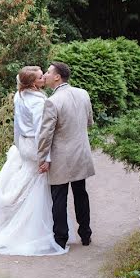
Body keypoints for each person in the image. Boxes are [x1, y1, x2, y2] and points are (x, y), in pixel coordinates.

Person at [0, 66, 67, 256]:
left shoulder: (19, 96)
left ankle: (9, 218)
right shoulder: (37, 102)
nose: (44, 77)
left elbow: (17, 126)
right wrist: (46, 157)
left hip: (25, 145)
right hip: (36, 147)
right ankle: (31, 229)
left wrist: (19, 146)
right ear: (33, 83)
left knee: (25, 180)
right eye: (40, 77)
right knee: (37, 186)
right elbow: (40, 131)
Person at [36, 61, 95, 249]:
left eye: (48, 71)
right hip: (82, 153)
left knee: (59, 198)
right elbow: (90, 122)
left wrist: (42, 158)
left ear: (57, 77)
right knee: (81, 194)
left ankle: (60, 240)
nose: (45, 74)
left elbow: (46, 135)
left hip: (62, 158)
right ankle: (86, 235)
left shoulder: (52, 101)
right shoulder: (83, 93)